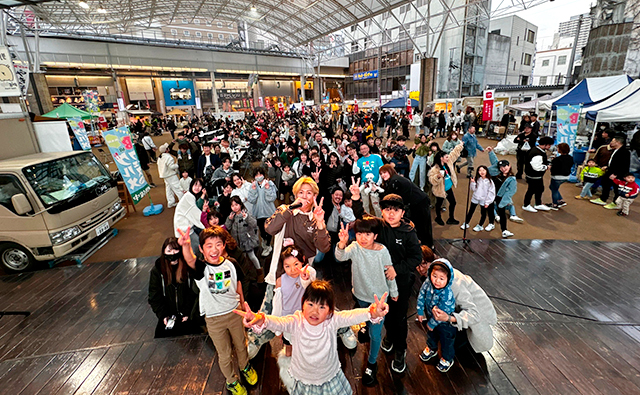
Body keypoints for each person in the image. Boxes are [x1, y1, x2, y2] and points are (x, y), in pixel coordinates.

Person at [234, 280, 389, 395]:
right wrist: (261, 319)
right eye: (310, 305)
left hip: (329, 376)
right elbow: (278, 322)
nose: (315, 311)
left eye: (322, 307)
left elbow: (350, 316)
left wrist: (372, 312)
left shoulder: (331, 320)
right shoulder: (296, 321)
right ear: (302, 304)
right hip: (304, 378)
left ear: (329, 310)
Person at [177, 226, 258, 395]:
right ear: (201, 249)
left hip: (235, 313)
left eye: (218, 244)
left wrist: (243, 305)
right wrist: (185, 246)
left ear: (224, 246)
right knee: (224, 353)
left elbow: (238, 285)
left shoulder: (231, 264)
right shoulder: (201, 269)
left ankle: (244, 366)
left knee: (242, 344)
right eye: (209, 245)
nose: (214, 249)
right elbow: (191, 260)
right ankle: (231, 381)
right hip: (214, 319)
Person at [350, 192, 422, 374]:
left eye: (396, 210)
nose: (391, 214)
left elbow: (416, 257)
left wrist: (396, 269)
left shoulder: (408, 232)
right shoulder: (379, 226)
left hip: (401, 281)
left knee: (398, 317)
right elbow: (362, 216)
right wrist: (357, 198)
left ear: (402, 213)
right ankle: (388, 337)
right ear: (381, 211)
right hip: (379, 282)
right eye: (387, 209)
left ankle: (400, 350)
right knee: (384, 312)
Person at [335, 218, 398, 386]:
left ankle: (371, 363)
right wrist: (341, 243)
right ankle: (364, 325)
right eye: (359, 233)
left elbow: (389, 273)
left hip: (379, 300)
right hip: (360, 294)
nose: (363, 238)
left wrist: (394, 292)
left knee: (375, 334)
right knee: (363, 315)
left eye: (368, 234)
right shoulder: (355, 247)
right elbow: (340, 257)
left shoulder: (382, 250)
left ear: (375, 235)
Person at [417, 247, 497, 354]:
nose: (420, 269)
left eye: (423, 264)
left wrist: (448, 318)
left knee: (456, 347)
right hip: (455, 311)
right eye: (416, 265)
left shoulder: (454, 282)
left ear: (431, 261)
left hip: (475, 314)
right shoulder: (431, 277)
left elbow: (474, 314)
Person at [148, 237, 201, 338]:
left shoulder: (188, 267)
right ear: (164, 252)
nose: (173, 253)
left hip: (189, 315)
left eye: (176, 249)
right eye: (169, 251)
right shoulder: (157, 271)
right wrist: (163, 315)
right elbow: (154, 296)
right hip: (167, 316)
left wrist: (187, 312)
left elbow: (194, 292)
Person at [379, 164, 434, 248]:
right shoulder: (395, 180)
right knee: (422, 225)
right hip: (418, 203)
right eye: (381, 174)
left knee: (422, 225)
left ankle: (426, 247)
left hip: (419, 203)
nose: (383, 175)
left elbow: (390, 197)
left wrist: (377, 191)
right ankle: (426, 245)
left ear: (390, 171)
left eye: (384, 172)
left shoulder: (395, 181)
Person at [416, 258, 456, 372]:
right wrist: (420, 311)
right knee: (431, 335)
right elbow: (421, 295)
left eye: (442, 278)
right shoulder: (428, 283)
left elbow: (443, 311)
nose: (437, 281)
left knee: (446, 340)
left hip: (444, 322)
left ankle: (447, 358)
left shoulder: (447, 293)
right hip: (430, 316)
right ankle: (432, 348)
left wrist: (432, 323)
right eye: (434, 276)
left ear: (448, 279)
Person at [428, 143, 465, 226]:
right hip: (440, 190)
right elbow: (431, 180)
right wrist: (437, 176)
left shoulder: (448, 162)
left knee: (453, 202)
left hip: (448, 188)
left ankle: (451, 218)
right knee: (439, 204)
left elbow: (454, 153)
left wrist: (460, 145)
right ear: (441, 158)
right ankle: (438, 217)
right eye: (446, 157)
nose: (448, 158)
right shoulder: (435, 169)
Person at [591, 135, 631, 209]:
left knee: (617, 188)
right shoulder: (615, 150)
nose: (611, 142)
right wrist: (607, 167)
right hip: (610, 170)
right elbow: (613, 161)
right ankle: (603, 199)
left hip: (617, 173)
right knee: (605, 183)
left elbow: (623, 165)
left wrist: (616, 174)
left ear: (618, 142)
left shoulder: (625, 152)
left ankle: (616, 203)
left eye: (613, 141)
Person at [486, 149, 518, 238]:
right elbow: (495, 161)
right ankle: (491, 223)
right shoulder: (497, 172)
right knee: (490, 209)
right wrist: (490, 152)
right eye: (501, 167)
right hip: (491, 194)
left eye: (505, 167)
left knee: (502, 213)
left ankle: (504, 230)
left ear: (509, 166)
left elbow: (510, 192)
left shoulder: (511, 179)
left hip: (501, 197)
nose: (503, 169)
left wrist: (504, 202)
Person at [226, 197, 261, 270]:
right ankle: (246, 272)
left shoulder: (246, 213)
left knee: (252, 256)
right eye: (232, 206)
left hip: (247, 240)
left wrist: (246, 218)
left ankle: (259, 270)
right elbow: (227, 227)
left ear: (240, 204)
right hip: (237, 241)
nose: (234, 207)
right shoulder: (232, 216)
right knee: (242, 258)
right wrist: (230, 219)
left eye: (236, 204)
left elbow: (254, 224)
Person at [248, 167, 277, 257]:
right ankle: (266, 243)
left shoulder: (270, 184)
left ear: (264, 175)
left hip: (269, 211)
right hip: (258, 213)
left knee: (269, 230)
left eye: (260, 174)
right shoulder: (253, 185)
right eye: (257, 175)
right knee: (262, 231)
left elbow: (272, 198)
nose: (259, 176)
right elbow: (251, 200)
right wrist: (253, 190)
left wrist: (267, 189)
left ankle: (268, 246)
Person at [522, 136, 554, 213]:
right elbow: (536, 167)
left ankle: (538, 203)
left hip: (536, 175)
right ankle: (526, 205)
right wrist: (546, 167)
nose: (550, 147)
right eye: (549, 145)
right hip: (533, 175)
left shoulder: (538, 150)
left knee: (540, 189)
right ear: (545, 144)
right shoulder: (537, 153)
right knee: (531, 190)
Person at [174, 178, 206, 255]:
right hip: (185, 230)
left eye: (200, 185)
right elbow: (196, 215)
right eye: (195, 185)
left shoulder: (190, 196)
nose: (197, 187)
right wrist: (208, 225)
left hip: (185, 228)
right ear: (191, 185)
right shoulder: (188, 197)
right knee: (197, 248)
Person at [352, 143, 385, 216]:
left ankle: (379, 220)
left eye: (365, 148)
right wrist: (355, 161)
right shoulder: (360, 160)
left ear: (368, 149)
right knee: (365, 205)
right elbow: (355, 171)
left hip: (375, 184)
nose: (363, 150)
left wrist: (378, 183)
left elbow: (381, 169)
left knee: (376, 205)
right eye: (361, 149)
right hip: (364, 184)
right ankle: (367, 220)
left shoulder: (376, 157)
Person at [461, 166, 496, 232]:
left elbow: (491, 192)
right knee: (471, 211)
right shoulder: (478, 179)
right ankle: (466, 223)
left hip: (484, 199)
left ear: (486, 171)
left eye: (483, 170)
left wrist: (487, 202)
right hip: (476, 197)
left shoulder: (490, 181)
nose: (482, 172)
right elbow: (473, 189)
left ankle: (480, 225)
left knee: (483, 213)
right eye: (480, 170)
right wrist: (473, 182)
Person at [548, 143, 574, 209]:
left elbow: (554, 168)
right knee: (553, 188)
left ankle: (555, 204)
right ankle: (560, 200)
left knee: (554, 190)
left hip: (557, 176)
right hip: (566, 176)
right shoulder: (570, 158)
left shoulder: (557, 159)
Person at [157, 143, 183, 208]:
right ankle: (182, 202)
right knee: (177, 188)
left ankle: (171, 202)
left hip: (164, 175)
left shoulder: (160, 157)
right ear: (166, 150)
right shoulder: (168, 157)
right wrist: (177, 164)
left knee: (169, 189)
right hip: (170, 175)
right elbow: (171, 166)